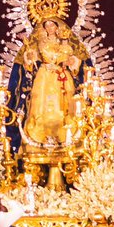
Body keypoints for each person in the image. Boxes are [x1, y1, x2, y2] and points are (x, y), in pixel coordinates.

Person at [17, 16, 87, 145]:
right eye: (47, 25)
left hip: (61, 75)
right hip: (44, 75)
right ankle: (41, 134)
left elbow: (72, 59)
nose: (50, 28)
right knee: (41, 103)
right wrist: (30, 55)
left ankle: (65, 134)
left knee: (64, 104)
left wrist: (68, 61)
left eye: (52, 25)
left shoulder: (63, 42)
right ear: (44, 28)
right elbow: (31, 58)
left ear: (57, 27)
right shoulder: (40, 42)